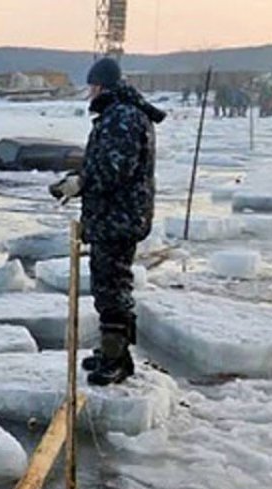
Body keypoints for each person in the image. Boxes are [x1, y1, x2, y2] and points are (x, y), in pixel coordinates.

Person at [50, 57, 166, 386]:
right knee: (109, 284)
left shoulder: (123, 117)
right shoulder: (117, 114)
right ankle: (115, 352)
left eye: (92, 86)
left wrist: (80, 182)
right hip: (113, 215)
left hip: (120, 217)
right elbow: (104, 164)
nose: (89, 93)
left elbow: (116, 169)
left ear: (102, 85)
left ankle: (116, 360)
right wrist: (79, 179)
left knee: (112, 287)